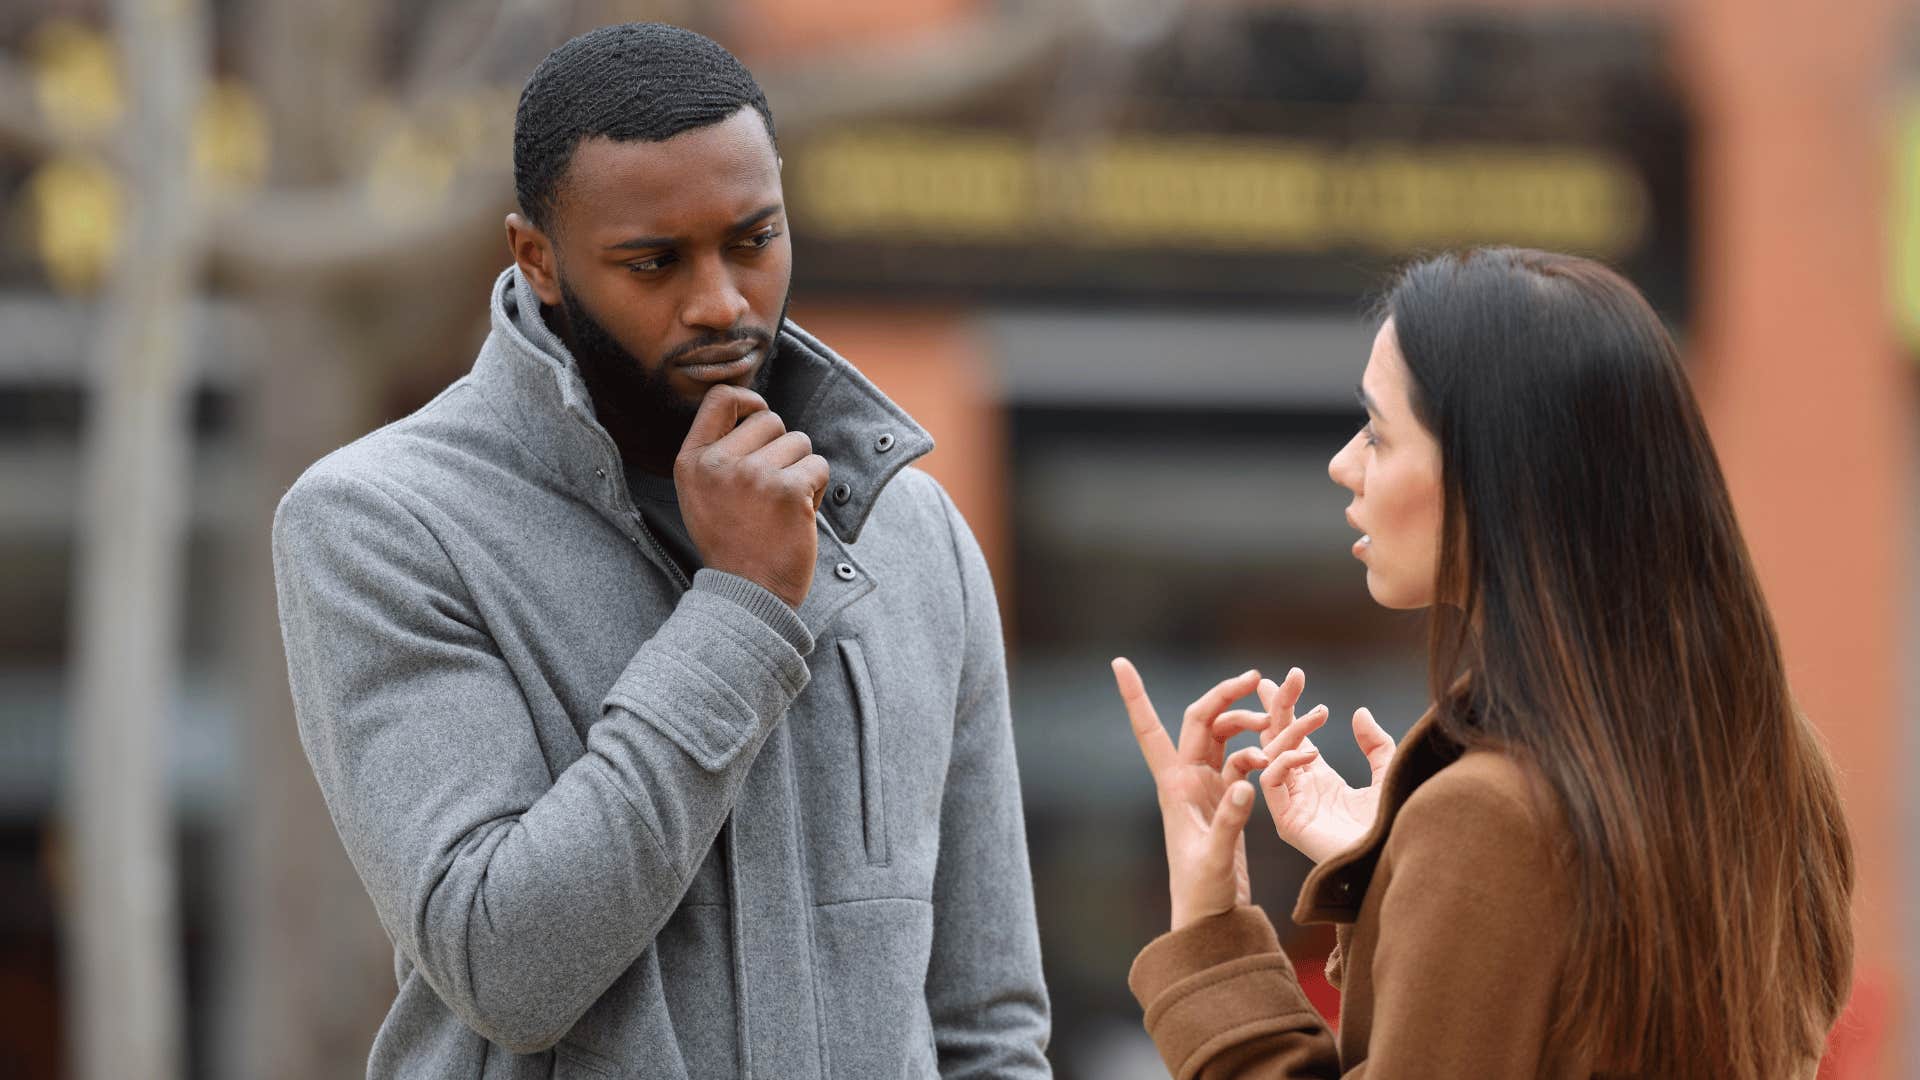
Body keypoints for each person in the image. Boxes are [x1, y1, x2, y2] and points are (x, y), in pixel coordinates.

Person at [272, 23, 1049, 1079]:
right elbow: (505, 968)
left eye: (753, 240)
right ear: (537, 259)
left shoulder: (910, 532)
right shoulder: (384, 525)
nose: (721, 302)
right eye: (656, 261)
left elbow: (987, 1024)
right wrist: (739, 607)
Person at [1112, 248, 1854, 1078]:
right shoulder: (1769, 762)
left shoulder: (1489, 819)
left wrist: (1212, 934)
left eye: (1378, 433)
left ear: (1490, 476)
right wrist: (1399, 871)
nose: (1343, 465)